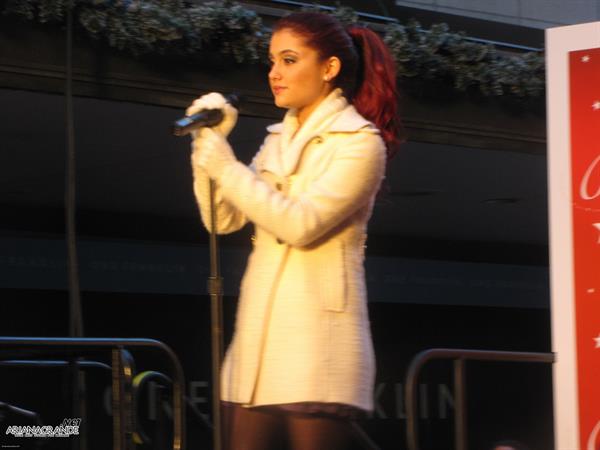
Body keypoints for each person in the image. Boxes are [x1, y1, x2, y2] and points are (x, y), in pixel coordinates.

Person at [187, 11, 400, 450]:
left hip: (316, 343)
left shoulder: (360, 142)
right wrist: (207, 146)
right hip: (257, 345)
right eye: (271, 61)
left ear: (329, 68)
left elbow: (299, 225)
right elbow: (221, 218)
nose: (274, 73)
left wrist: (224, 165)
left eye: (288, 60)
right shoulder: (276, 140)